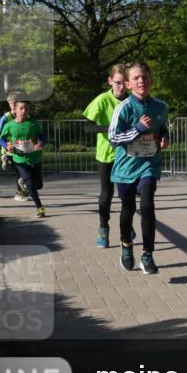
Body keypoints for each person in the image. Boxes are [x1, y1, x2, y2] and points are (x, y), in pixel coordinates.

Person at [108, 62, 170, 275]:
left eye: (144, 77)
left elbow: (162, 128)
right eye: (136, 78)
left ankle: (147, 254)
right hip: (126, 168)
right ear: (127, 84)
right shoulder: (123, 108)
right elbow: (113, 138)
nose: (141, 81)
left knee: (146, 206)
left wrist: (165, 138)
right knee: (127, 210)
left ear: (151, 80)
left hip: (149, 165)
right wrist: (137, 129)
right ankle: (126, 245)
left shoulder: (160, 106)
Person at [83, 65, 131, 248]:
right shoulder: (103, 100)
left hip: (127, 155)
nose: (121, 87)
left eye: (124, 83)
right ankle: (103, 228)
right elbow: (87, 126)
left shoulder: (132, 101)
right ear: (110, 81)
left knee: (127, 194)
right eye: (117, 83)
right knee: (106, 194)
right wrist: (110, 129)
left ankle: (126, 227)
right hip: (106, 154)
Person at [0, 99, 47, 217]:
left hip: (35, 158)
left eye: (26, 108)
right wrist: (6, 146)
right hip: (19, 159)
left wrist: (40, 142)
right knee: (30, 182)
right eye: (21, 108)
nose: (24, 111)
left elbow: (42, 135)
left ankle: (25, 185)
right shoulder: (9, 125)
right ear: (15, 109)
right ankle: (39, 207)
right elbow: (1, 138)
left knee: (38, 185)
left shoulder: (33, 123)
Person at [0, 92, 29, 201]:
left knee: (24, 170)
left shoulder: (24, 115)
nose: (14, 105)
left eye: (17, 102)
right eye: (12, 103)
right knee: (20, 171)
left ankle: (22, 192)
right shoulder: (5, 118)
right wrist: (6, 145)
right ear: (10, 104)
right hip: (9, 149)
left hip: (21, 148)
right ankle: (19, 193)